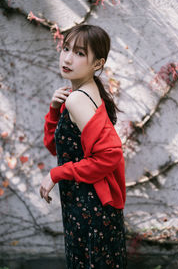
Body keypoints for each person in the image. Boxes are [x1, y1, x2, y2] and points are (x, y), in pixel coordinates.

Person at [40, 24, 127, 268]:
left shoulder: (79, 99)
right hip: (88, 206)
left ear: (97, 64)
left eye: (79, 53)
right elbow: (57, 147)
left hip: (88, 209)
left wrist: (56, 174)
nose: (67, 58)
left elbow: (110, 155)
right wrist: (54, 111)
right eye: (66, 48)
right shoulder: (84, 91)